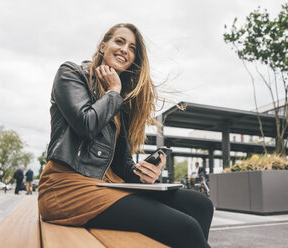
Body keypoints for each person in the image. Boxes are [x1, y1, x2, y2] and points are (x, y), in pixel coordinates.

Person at [38, 23, 213, 248]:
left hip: (107, 186)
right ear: (103, 46)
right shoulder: (72, 74)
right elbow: (86, 124)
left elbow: (121, 165)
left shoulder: (121, 100)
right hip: (66, 187)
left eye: (132, 48)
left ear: (134, 60)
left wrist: (144, 174)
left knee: (200, 205)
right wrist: (113, 92)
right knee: (185, 227)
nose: (124, 50)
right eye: (119, 42)